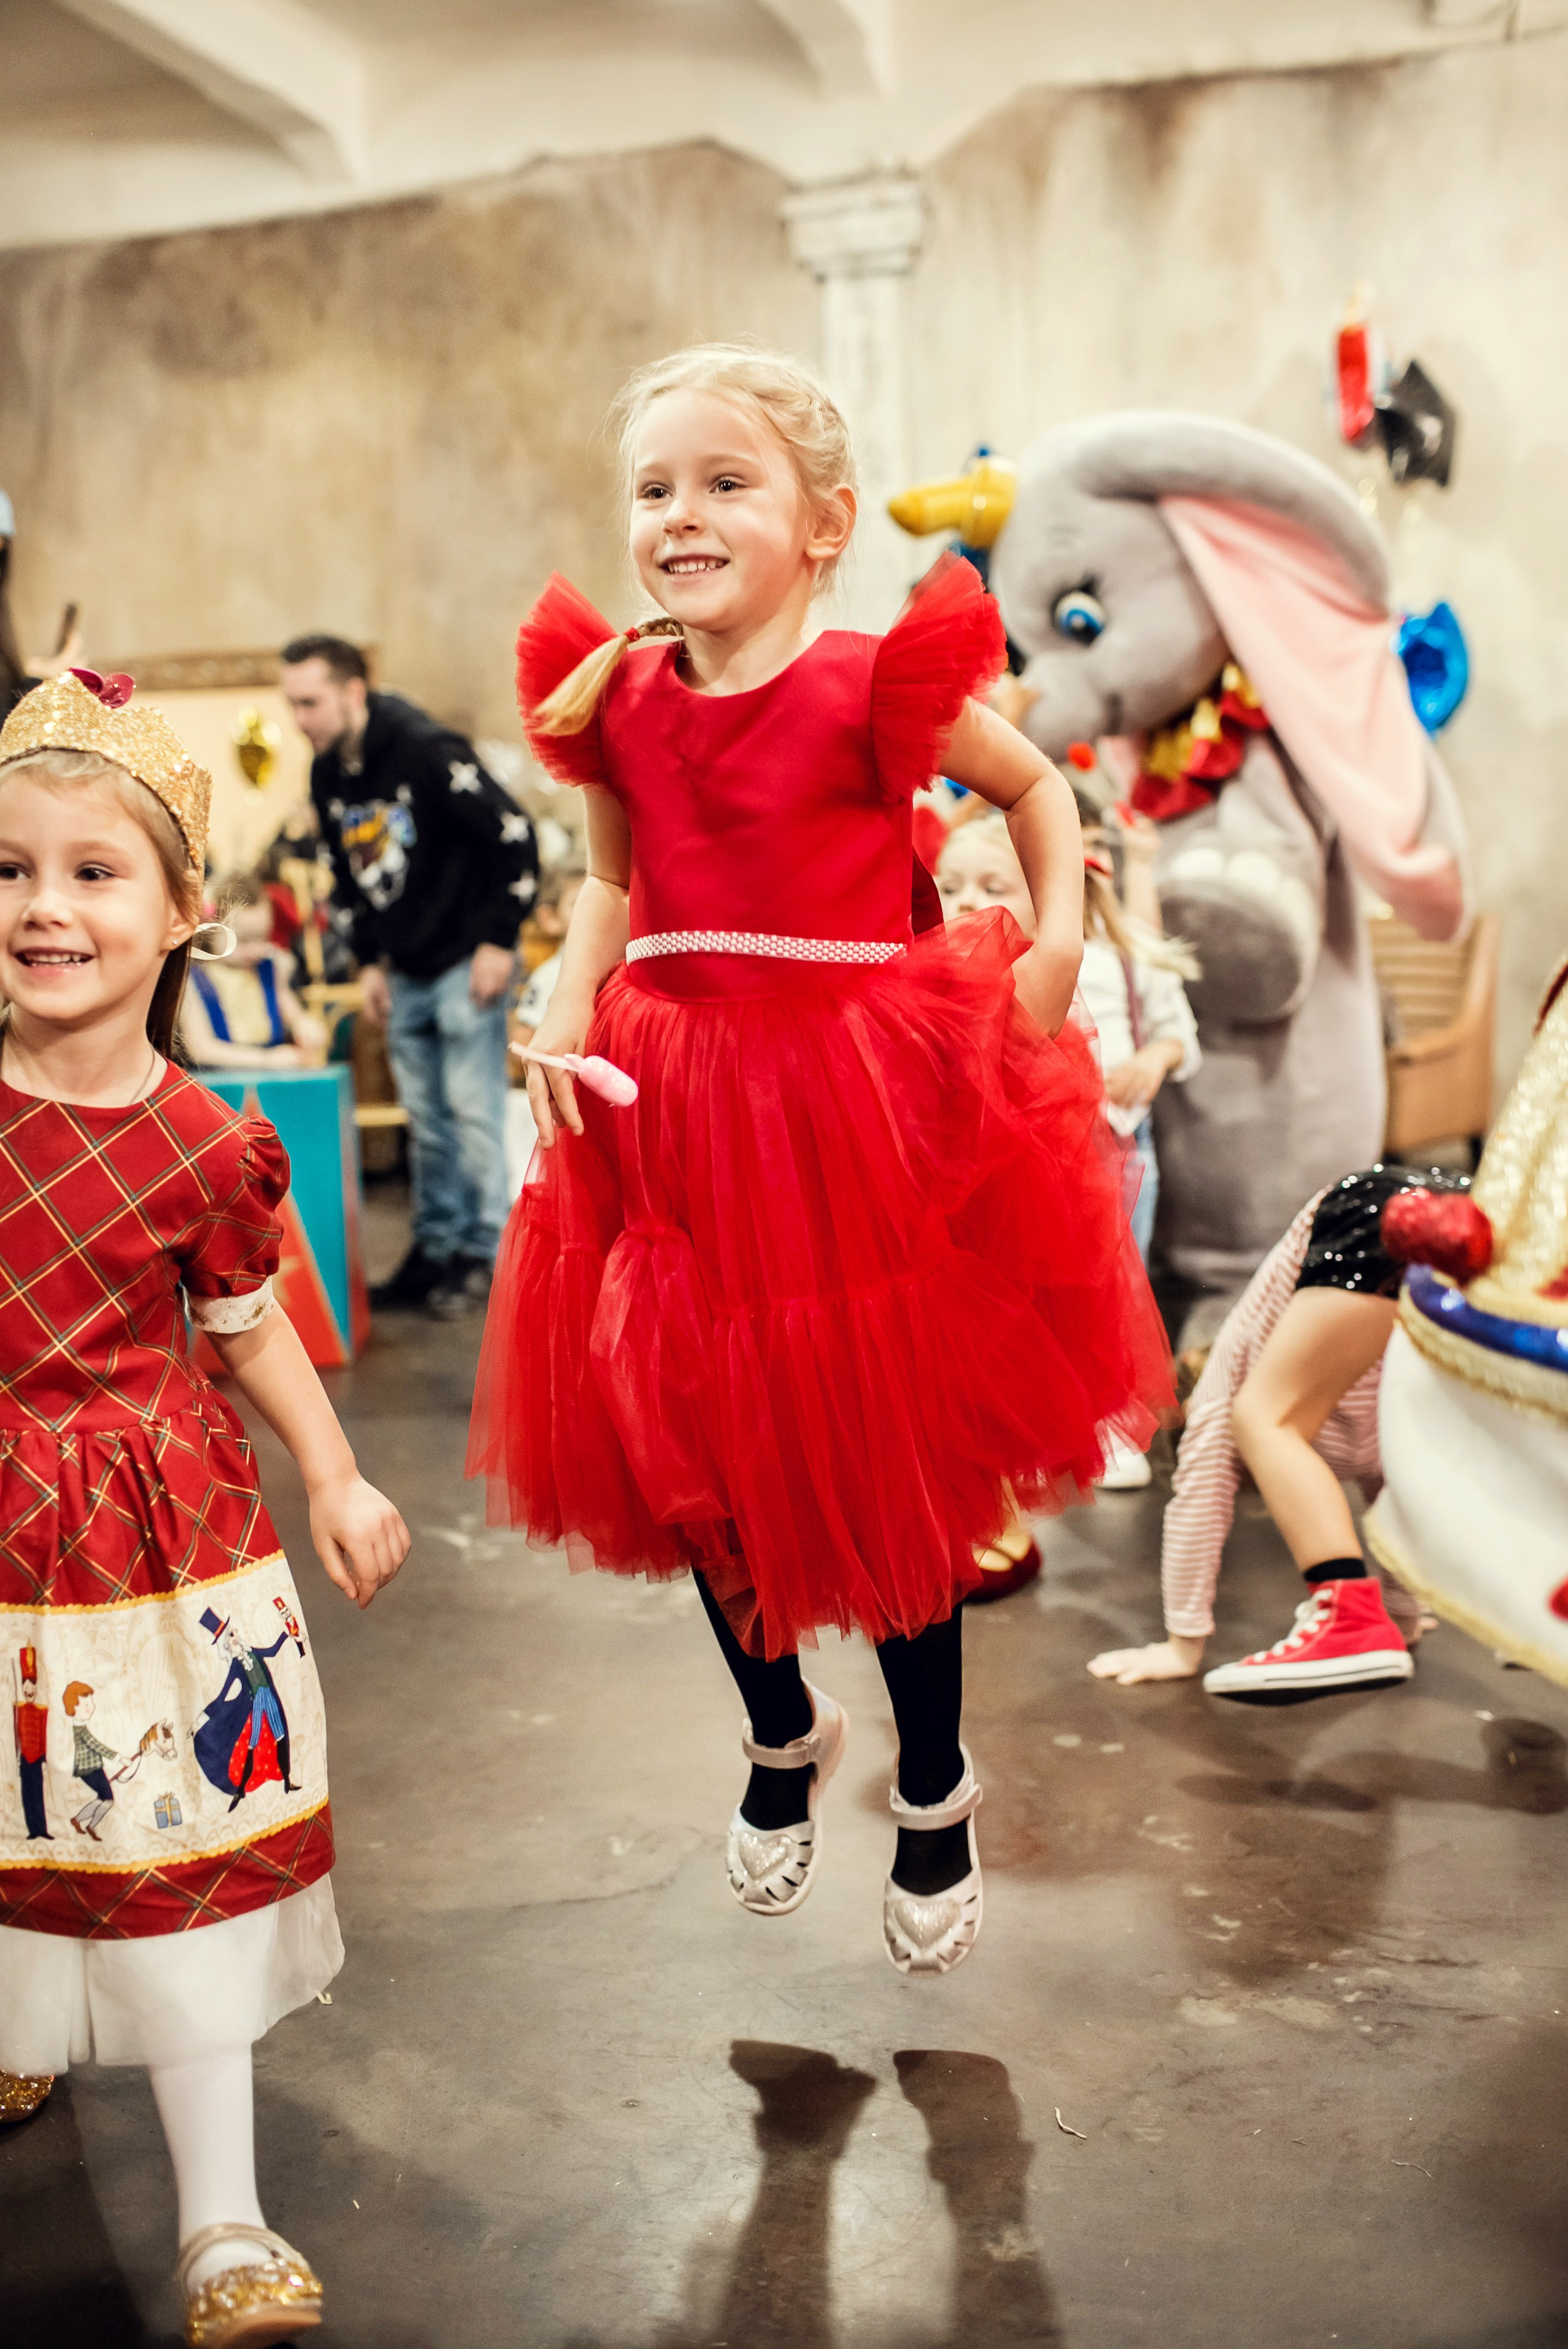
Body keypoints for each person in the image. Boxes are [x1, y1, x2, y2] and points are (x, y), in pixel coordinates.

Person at [468, 344, 1171, 1977]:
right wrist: (572, 1002)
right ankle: (784, 1730)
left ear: (822, 523)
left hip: (855, 1095)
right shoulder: (617, 701)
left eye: (725, 483)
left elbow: (1044, 793)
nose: (680, 516)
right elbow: (609, 882)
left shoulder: (876, 681)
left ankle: (933, 1775)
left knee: (883, 1463)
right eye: (654, 488)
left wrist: (1059, 944)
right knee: (692, 1453)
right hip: (672, 1099)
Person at [0, 670, 409, 2332]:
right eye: (9, 871)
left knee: (163, 1840)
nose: (43, 907)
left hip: (146, 1555)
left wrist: (336, 1469)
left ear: (185, 911)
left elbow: (248, 1327)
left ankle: (222, 2221)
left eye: (93, 872)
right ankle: (22, 2027)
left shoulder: (205, 1145)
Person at [1087, 1164, 1469, 1693]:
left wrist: (1181, 1645)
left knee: (1258, 1417)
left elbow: (1197, 1503)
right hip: (1464, 1204)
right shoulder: (1347, 1403)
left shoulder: (1222, 1389)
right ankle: (1374, 1620)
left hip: (1372, 1210)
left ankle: (1349, 1618)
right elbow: (1394, 1491)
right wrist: (1402, 1613)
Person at [937, 806, 1198, 1491]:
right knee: (1013, 1304)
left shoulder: (1103, 962)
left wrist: (1154, 1060)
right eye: (948, 884)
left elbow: (1174, 1030)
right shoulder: (936, 978)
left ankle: (1109, 1425)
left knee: (1110, 1287)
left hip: (1107, 1146)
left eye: (993, 887)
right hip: (1001, 1164)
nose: (967, 902)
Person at [279, 634, 539, 1317]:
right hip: (404, 967)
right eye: (293, 705)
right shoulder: (327, 774)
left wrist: (498, 940)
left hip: (465, 959)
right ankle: (436, 1248)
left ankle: (483, 1255)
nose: (300, 719)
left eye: (310, 703)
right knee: (426, 1121)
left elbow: (513, 833)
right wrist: (367, 961)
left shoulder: (424, 748)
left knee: (473, 1110)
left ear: (353, 692)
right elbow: (345, 877)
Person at [180, 872, 329, 1070]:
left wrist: (305, 1026)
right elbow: (201, 1049)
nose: (255, 950)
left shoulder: (268, 971)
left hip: (269, 1081)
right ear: (211, 930)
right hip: (216, 1085)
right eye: (242, 941)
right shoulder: (192, 979)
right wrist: (265, 1060)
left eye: (262, 938)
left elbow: (293, 1015)